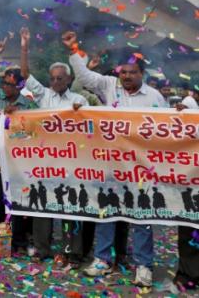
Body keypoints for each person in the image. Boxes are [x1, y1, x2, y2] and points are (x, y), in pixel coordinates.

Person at [63, 30, 166, 287]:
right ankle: (102, 260)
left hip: (142, 170)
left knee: (142, 217)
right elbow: (85, 76)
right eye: (123, 72)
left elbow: (167, 131)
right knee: (106, 213)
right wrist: (74, 49)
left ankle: (144, 266)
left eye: (133, 72)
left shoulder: (155, 98)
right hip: (112, 167)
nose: (127, 76)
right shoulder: (110, 86)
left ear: (142, 74)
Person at [18, 27, 87, 266]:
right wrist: (24, 47)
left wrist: (81, 116)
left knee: (72, 210)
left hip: (72, 166)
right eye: (53, 78)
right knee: (43, 207)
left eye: (61, 78)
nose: (56, 81)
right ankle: (42, 248)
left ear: (69, 80)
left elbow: (90, 130)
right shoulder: (43, 96)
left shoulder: (79, 101)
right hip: (46, 164)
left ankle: (73, 253)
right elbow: (25, 74)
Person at [0, 36, 36, 253]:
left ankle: (17, 242)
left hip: (18, 155)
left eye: (10, 84)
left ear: (20, 86)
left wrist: (19, 115)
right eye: (4, 83)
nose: (6, 87)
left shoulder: (28, 104)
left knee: (16, 198)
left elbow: (34, 130)